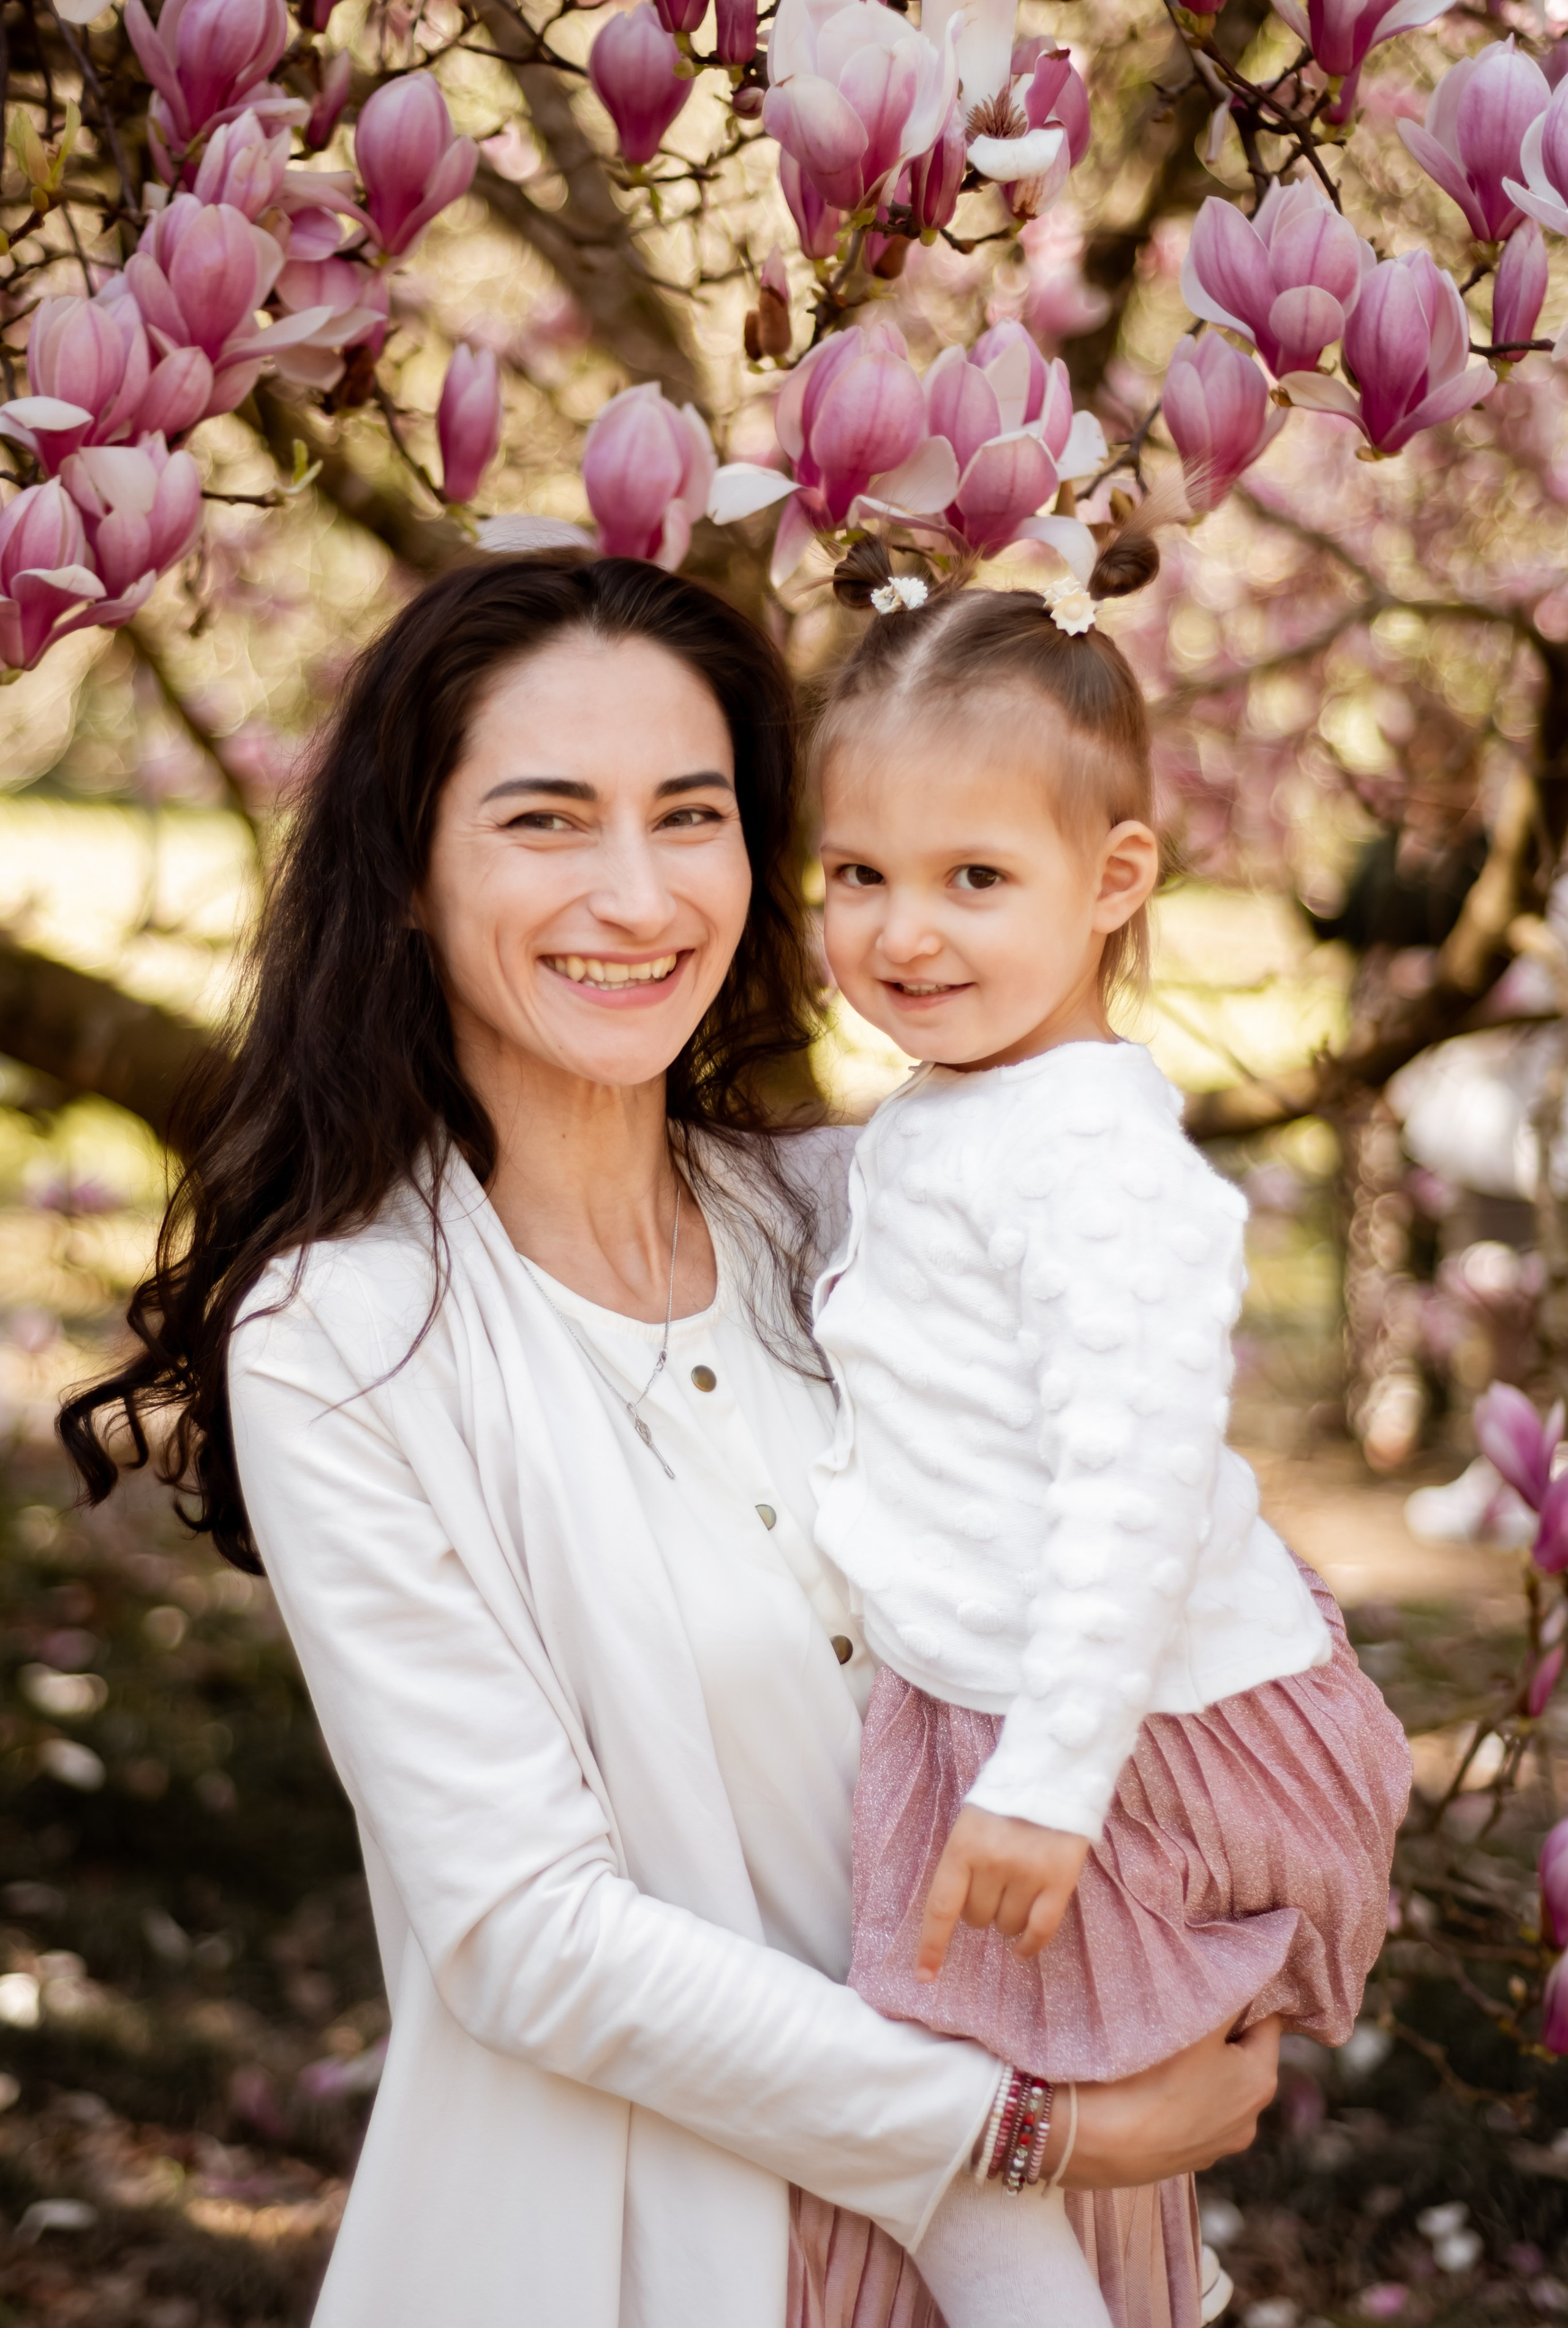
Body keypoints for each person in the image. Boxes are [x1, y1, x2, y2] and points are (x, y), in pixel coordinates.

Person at [61, 554, 1283, 2328]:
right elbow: (526, 1937)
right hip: (661, 2247)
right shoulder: (346, 1337)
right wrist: (1031, 2128)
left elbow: (1132, 1542)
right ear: (407, 872)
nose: (634, 896)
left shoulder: (847, 1218)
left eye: (690, 817)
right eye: (546, 821)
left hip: (1074, 2215)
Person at [804, 535, 1414, 2328]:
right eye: (858, 873)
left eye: (974, 874)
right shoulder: (975, 1101)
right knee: (983, 2107)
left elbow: (1132, 1476)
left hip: (1113, 1725)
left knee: (974, 2095)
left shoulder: (1090, 1157)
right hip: (1015, 1692)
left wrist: (1055, 1770)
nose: (904, 930)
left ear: (1113, 877)